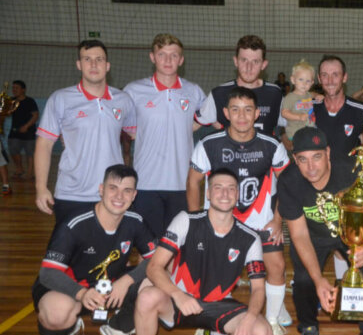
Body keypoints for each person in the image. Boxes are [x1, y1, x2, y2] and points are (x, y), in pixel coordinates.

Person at [124, 168, 272, 335]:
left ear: (237, 196)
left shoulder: (249, 238)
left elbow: (259, 288)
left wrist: (250, 317)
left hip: (218, 304)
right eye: (218, 187)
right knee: (146, 297)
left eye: (231, 188)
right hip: (179, 301)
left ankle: (214, 334)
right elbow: (154, 267)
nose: (224, 193)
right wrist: (178, 295)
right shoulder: (186, 220)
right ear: (209, 194)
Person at [187, 87, 290, 335]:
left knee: (276, 266)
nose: (241, 116)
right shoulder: (209, 143)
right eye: (235, 109)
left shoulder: (272, 145)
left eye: (247, 110)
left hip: (262, 221)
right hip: (222, 222)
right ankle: (204, 322)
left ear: (257, 113)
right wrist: (195, 222)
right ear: (225, 113)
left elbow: (288, 185)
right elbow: (193, 183)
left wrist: (278, 220)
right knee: (210, 272)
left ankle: (274, 321)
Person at [33, 165, 156, 335]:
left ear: (134, 195)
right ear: (101, 189)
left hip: (111, 287)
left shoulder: (135, 221)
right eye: (113, 188)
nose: (119, 196)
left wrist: (126, 280)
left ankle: (117, 328)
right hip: (72, 289)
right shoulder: (74, 223)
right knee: (57, 312)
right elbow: (48, 274)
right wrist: (81, 293)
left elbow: (156, 261)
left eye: (127, 190)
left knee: (156, 282)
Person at [277, 127, 363, 335]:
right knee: (303, 278)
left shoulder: (353, 172)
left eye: (316, 157)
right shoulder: (289, 180)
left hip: (352, 233)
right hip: (312, 236)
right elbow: (299, 234)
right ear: (295, 160)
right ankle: (308, 327)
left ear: (328, 153)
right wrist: (319, 280)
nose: (311, 167)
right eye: (302, 160)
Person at [35, 40, 136, 224]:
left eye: (99, 59)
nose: (94, 64)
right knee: (70, 252)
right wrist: (41, 187)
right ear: (79, 65)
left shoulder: (123, 100)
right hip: (72, 193)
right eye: (87, 59)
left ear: (107, 66)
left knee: (109, 252)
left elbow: (139, 136)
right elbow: (44, 144)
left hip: (112, 194)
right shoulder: (61, 99)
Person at [124, 33, 206, 237]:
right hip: (145, 184)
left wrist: (192, 124)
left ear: (181, 59)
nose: (168, 60)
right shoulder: (133, 91)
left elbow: (213, 117)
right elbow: (115, 121)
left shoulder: (193, 91)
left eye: (174, 55)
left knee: (177, 246)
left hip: (182, 183)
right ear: (152, 57)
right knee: (148, 249)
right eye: (162, 54)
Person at [195, 35, 282, 137]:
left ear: (264, 64)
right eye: (244, 60)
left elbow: (290, 124)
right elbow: (192, 125)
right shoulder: (219, 94)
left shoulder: (275, 93)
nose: (249, 67)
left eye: (255, 61)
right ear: (236, 61)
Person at [314, 55, 363, 165]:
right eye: (324, 75)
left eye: (335, 75)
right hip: (315, 179)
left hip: (348, 179)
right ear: (319, 79)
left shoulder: (361, 112)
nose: (330, 81)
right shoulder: (309, 108)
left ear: (344, 77)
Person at [8, 80, 39, 180]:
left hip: (28, 132)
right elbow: (6, 113)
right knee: (13, 150)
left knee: (30, 153)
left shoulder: (30, 101)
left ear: (23, 90)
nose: (14, 90)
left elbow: (35, 115)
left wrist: (26, 126)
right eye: (13, 88)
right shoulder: (11, 101)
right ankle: (19, 169)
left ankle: (30, 172)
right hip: (15, 131)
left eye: (16, 88)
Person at [280, 59, 316, 142]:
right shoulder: (290, 97)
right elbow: (284, 113)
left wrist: (318, 95)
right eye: (301, 79)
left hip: (308, 130)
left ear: (312, 83)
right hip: (295, 132)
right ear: (293, 80)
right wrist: (299, 117)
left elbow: (313, 94)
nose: (304, 84)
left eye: (308, 81)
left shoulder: (308, 94)